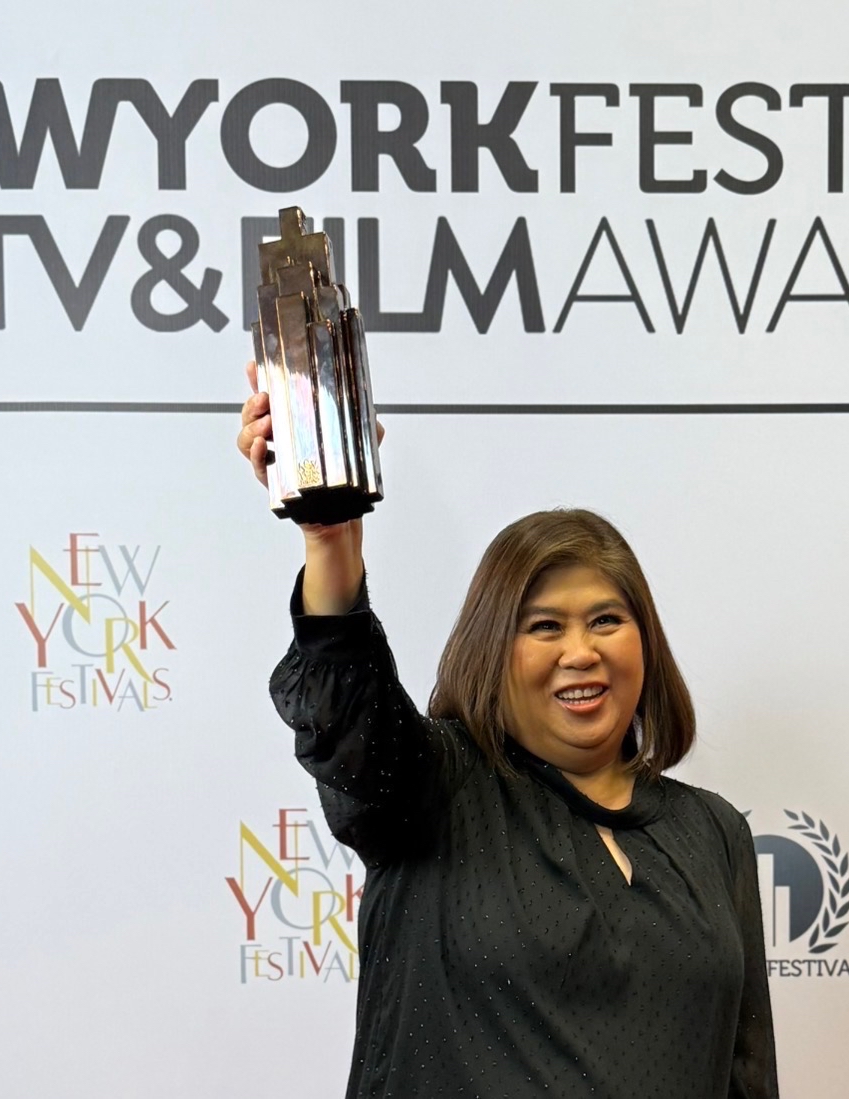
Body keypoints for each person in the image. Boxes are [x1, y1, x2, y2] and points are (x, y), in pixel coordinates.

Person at [237, 367, 779, 1099]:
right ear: (494, 650)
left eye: (606, 620)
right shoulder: (434, 788)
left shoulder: (712, 832)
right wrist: (331, 540)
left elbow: (748, 1076)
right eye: (544, 626)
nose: (580, 651)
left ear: (644, 641)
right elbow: (348, 710)